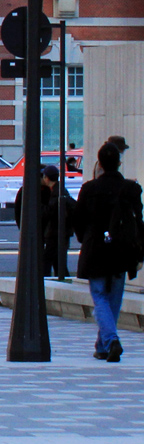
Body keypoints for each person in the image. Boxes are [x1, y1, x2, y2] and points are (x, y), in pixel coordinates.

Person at [72, 136, 143, 362]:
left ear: (99, 164)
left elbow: (79, 220)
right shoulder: (131, 189)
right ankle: (103, 345)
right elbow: (138, 222)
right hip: (121, 251)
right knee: (114, 299)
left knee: (100, 296)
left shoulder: (89, 188)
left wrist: (85, 238)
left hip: (95, 249)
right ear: (119, 163)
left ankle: (110, 341)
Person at [13, 164, 75, 278]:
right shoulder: (27, 191)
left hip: (50, 231)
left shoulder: (52, 191)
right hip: (39, 232)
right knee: (49, 260)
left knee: (51, 261)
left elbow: (50, 211)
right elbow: (18, 213)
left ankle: (44, 281)